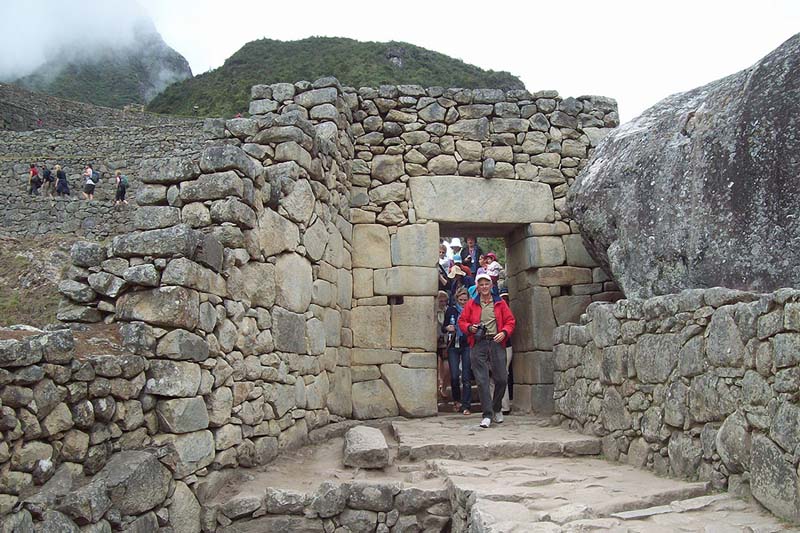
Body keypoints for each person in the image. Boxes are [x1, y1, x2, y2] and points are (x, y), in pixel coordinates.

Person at [458, 273, 516, 428]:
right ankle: (487, 415)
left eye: (486, 284)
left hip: (497, 342)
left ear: (491, 286)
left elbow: (510, 321)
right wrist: (470, 328)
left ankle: (496, 408)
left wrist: (504, 332)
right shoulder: (471, 304)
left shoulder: (500, 303)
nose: (484, 287)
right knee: (482, 380)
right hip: (478, 343)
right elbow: (462, 321)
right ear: (477, 287)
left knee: (502, 378)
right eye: (481, 284)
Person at [444, 287, 472, 414]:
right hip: (453, 345)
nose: (463, 302)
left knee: (466, 376)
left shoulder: (471, 310)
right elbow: (444, 327)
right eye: (460, 300)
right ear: (456, 299)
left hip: (467, 345)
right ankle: (457, 400)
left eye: (465, 300)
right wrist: (447, 327)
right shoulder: (451, 310)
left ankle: (466, 405)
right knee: (454, 376)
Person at [435, 290, 451, 401]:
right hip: (434, 339)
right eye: (441, 301)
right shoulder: (433, 311)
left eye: (445, 301)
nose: (443, 303)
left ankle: (444, 385)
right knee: (436, 364)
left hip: (445, 340)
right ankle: (437, 386)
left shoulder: (448, 311)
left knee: (447, 365)